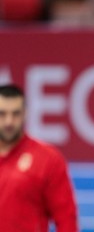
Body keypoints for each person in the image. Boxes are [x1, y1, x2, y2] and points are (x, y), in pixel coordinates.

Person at [0, 84, 78, 232]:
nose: (9, 121)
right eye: (2, 114)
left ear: (25, 114)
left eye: (15, 114)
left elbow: (66, 217)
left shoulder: (48, 159)